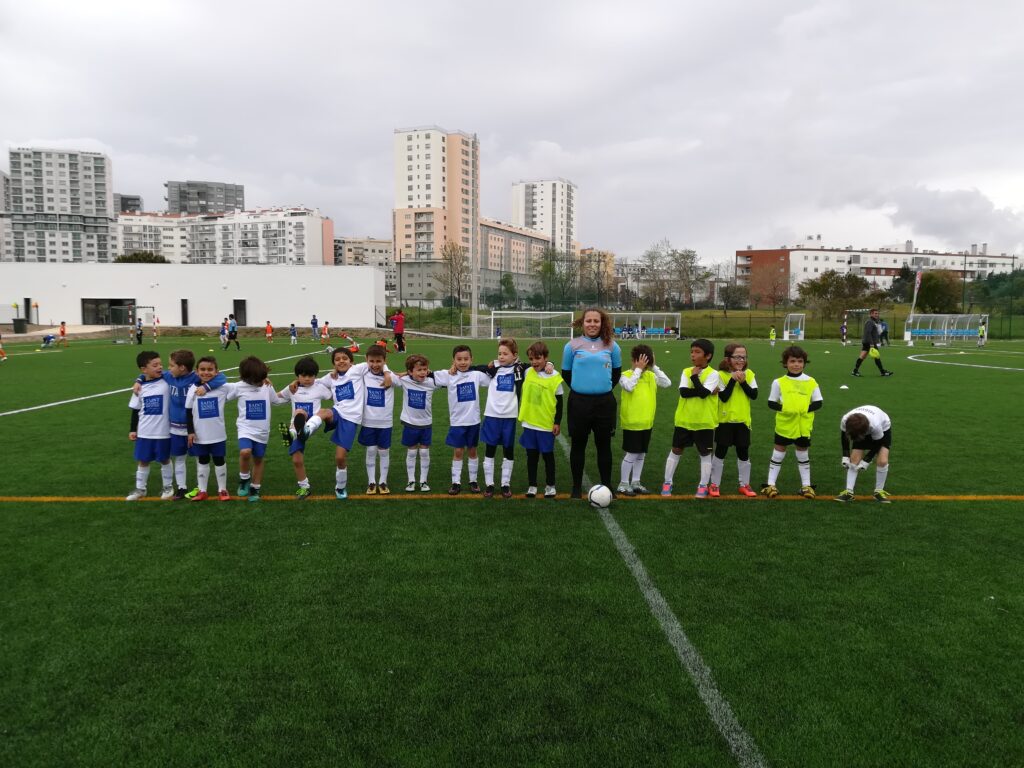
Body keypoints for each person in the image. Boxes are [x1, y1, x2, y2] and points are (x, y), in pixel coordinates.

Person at [131, 348, 227, 500]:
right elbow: (148, 374)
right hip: (175, 427)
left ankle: (200, 487)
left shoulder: (195, 378)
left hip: (194, 427)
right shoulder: (169, 377)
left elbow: (221, 378)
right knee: (179, 458)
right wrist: (138, 380)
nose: (167, 368)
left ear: (182, 367)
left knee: (199, 457)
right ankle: (181, 488)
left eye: (170, 365)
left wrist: (206, 387)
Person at [301, 347, 380, 500]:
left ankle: (340, 486)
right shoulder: (331, 378)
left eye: (344, 358)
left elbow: (377, 362)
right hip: (337, 411)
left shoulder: (357, 370)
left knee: (340, 458)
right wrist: (296, 383)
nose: (341, 361)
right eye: (337, 359)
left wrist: (388, 374)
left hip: (351, 419)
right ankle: (305, 431)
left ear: (351, 361)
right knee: (324, 411)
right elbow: (311, 381)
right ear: (333, 364)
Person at [561, 308, 622, 498]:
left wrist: (600, 389)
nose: (592, 324)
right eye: (589, 321)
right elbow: (567, 374)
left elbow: (616, 374)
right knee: (578, 445)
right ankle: (576, 486)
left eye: (596, 321)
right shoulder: (571, 346)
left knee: (603, 445)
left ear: (602, 323)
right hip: (579, 403)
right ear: (583, 323)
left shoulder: (612, 346)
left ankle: (607, 484)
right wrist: (583, 389)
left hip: (604, 403)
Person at [761, 345, 823, 499]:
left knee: (802, 453)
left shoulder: (811, 381)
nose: (796, 364)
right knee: (778, 452)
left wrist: (803, 409)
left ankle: (806, 486)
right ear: (785, 363)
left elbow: (818, 402)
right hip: (785, 424)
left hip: (803, 426)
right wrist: (787, 409)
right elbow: (771, 402)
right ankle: (770, 484)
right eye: (792, 361)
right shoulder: (779, 382)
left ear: (804, 363)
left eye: (800, 361)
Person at [662, 338, 720, 498]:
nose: (693, 355)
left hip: (704, 422)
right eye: (692, 351)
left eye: (697, 352)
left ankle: (703, 485)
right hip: (684, 420)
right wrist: (705, 391)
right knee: (676, 450)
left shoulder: (713, 374)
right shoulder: (686, 371)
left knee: (705, 454)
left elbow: (702, 394)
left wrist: (695, 380)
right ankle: (667, 482)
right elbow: (684, 392)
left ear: (708, 356)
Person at [432, 344, 492, 495]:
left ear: (472, 360)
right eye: (459, 359)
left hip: (473, 421)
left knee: (472, 451)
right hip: (457, 422)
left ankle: (473, 481)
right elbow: (426, 374)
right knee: (458, 451)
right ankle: (456, 482)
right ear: (453, 360)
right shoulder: (448, 375)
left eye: (466, 359)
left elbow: (495, 374)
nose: (463, 362)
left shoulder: (477, 375)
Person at [617, 344, 671, 496]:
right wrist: (638, 370)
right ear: (634, 360)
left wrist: (654, 367)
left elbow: (667, 383)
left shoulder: (651, 375)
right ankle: (623, 483)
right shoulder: (625, 375)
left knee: (641, 453)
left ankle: (635, 482)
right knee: (632, 453)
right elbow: (629, 387)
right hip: (632, 423)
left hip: (647, 422)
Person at [231, 356, 285, 502]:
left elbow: (277, 401)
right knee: (245, 451)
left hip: (262, 431)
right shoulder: (238, 387)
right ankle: (244, 479)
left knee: (258, 459)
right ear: (247, 378)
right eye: (259, 380)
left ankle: (255, 488)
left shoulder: (267, 386)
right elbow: (221, 393)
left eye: (263, 378)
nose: (262, 382)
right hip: (245, 428)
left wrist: (292, 391)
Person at [277, 356, 331, 500]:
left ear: (315, 375)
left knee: (302, 413)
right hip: (296, 427)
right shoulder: (292, 389)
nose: (307, 379)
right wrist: (264, 388)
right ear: (297, 376)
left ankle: (296, 432)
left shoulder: (319, 387)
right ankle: (304, 487)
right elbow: (276, 398)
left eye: (310, 375)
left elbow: (334, 395)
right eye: (303, 376)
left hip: (312, 425)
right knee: (296, 460)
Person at [480, 337, 527, 498]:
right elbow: (471, 369)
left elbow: (538, 366)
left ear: (514, 355)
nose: (501, 356)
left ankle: (505, 484)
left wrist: (550, 365)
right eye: (499, 353)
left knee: (508, 449)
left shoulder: (520, 369)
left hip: (509, 416)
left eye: (505, 354)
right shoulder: (492, 369)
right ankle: (489, 484)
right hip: (492, 415)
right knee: (490, 449)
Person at [710, 343, 759, 498]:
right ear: (728, 358)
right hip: (724, 421)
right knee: (720, 452)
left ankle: (744, 484)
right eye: (737, 357)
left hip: (743, 421)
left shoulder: (749, 374)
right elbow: (723, 397)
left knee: (743, 452)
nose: (741, 360)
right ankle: (714, 484)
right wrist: (732, 380)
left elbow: (754, 395)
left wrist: (743, 382)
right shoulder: (720, 375)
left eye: (743, 357)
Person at [126, 351, 175, 501]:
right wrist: (133, 429)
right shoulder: (139, 388)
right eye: (155, 365)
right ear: (143, 369)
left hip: (163, 432)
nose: (160, 367)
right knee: (143, 460)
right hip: (145, 432)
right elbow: (135, 410)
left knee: (164, 459)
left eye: (160, 364)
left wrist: (138, 379)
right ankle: (141, 489)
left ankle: (168, 486)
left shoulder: (167, 381)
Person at [184, 356, 233, 502]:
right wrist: (190, 432)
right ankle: (202, 490)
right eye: (203, 369)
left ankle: (222, 490)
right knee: (202, 461)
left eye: (210, 369)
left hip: (217, 434)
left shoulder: (223, 388)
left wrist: (262, 381)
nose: (206, 372)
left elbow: (243, 386)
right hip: (200, 435)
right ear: (197, 371)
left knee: (219, 460)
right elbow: (187, 412)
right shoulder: (192, 389)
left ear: (217, 372)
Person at [518, 341, 564, 499]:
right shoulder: (527, 371)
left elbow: (560, 402)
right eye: (531, 359)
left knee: (547, 456)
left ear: (545, 357)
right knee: (531, 456)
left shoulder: (555, 376)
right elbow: (510, 362)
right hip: (529, 422)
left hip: (546, 425)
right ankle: (532, 485)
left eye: (538, 358)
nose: (534, 362)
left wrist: (557, 422)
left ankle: (550, 486)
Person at [391, 353, 438, 492]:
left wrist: (431, 373)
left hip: (426, 424)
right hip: (410, 423)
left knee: (424, 453)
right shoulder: (404, 380)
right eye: (419, 370)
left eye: (425, 369)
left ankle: (423, 481)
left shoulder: (432, 382)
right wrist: (404, 373)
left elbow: (448, 377)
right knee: (411, 452)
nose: (423, 372)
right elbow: (389, 374)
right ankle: (411, 480)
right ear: (410, 372)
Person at [835, 405, 893, 504]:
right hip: (860, 427)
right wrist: (845, 455)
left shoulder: (876, 425)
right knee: (854, 460)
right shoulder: (846, 419)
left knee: (882, 461)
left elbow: (878, 443)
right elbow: (844, 435)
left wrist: (867, 460)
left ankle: (878, 491)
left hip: (883, 429)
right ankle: (849, 491)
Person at [357, 346, 395, 494]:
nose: (375, 364)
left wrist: (387, 372)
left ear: (385, 361)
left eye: (379, 361)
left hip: (385, 422)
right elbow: (344, 370)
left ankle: (383, 482)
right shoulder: (363, 373)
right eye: (371, 361)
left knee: (384, 451)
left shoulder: (391, 377)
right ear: (366, 360)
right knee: (371, 450)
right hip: (368, 421)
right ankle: (371, 482)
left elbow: (410, 378)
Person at [852, 308, 893, 377]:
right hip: (869, 342)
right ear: (871, 314)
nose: (877, 315)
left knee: (862, 356)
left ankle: (855, 371)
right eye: (875, 313)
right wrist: (871, 344)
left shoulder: (875, 321)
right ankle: (882, 372)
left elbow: (877, 332)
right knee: (876, 356)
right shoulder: (870, 322)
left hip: (868, 342)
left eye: (877, 313)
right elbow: (868, 333)